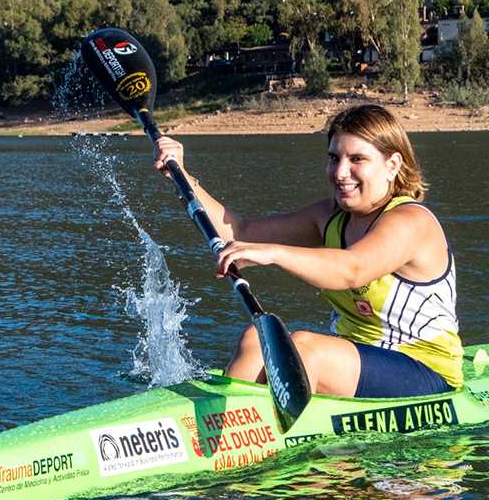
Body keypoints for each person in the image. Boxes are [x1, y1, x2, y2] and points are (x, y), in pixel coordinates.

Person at [152, 104, 463, 398]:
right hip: (355, 360)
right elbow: (239, 231)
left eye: (357, 159)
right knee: (256, 340)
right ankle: (223, 429)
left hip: (428, 373)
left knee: (304, 349)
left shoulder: (412, 221)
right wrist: (183, 176)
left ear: (392, 165)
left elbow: (352, 270)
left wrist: (274, 253)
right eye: (334, 158)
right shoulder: (328, 216)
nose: (340, 173)